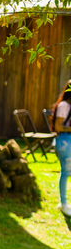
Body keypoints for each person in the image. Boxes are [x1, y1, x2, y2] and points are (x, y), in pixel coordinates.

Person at [54, 87, 71, 216]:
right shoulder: (64, 105)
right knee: (66, 172)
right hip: (64, 142)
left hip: (68, 141)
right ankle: (63, 203)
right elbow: (58, 127)